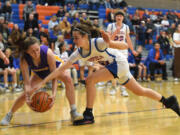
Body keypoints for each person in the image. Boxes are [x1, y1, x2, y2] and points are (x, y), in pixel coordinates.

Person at [31, 19, 180, 126]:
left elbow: (123, 45)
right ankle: (168, 101)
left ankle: (88, 115)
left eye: (77, 38)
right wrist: (44, 82)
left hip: (119, 63)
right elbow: (60, 69)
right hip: (117, 67)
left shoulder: (97, 42)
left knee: (90, 81)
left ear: (85, 37)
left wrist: (110, 42)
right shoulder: (77, 53)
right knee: (139, 91)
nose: (74, 41)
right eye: (73, 38)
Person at [0, 31, 82, 126]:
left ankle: (73, 112)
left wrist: (54, 94)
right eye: (32, 51)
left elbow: (54, 75)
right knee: (28, 91)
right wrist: (27, 97)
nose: (36, 53)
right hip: (40, 72)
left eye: (37, 49)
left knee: (68, 78)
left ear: (40, 46)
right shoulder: (24, 59)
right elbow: (26, 82)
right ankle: (9, 115)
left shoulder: (48, 53)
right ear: (27, 51)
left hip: (57, 67)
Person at [106, 10, 137, 97]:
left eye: (121, 16)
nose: (119, 17)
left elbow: (128, 39)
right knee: (114, 69)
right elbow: (108, 40)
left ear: (123, 18)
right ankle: (113, 87)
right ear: (115, 17)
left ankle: (123, 89)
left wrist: (132, 50)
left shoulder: (126, 27)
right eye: (117, 16)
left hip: (123, 50)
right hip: (113, 49)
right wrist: (116, 31)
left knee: (124, 70)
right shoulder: (110, 26)